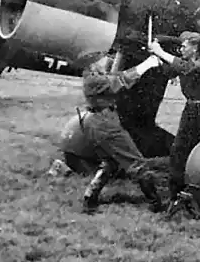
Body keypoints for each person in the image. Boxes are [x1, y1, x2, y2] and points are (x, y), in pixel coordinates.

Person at [60, 52, 165, 214]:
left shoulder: (94, 77)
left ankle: (90, 198)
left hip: (97, 123)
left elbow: (117, 77)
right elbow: (120, 80)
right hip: (105, 124)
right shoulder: (93, 80)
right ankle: (156, 204)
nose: (107, 59)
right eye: (102, 58)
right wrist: (147, 65)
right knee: (136, 163)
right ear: (93, 64)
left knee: (110, 163)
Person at [148, 31, 200, 206]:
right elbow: (169, 71)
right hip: (191, 110)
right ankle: (176, 196)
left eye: (184, 46)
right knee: (179, 151)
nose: (180, 49)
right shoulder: (188, 61)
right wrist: (157, 59)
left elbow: (187, 69)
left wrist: (160, 52)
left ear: (195, 47)